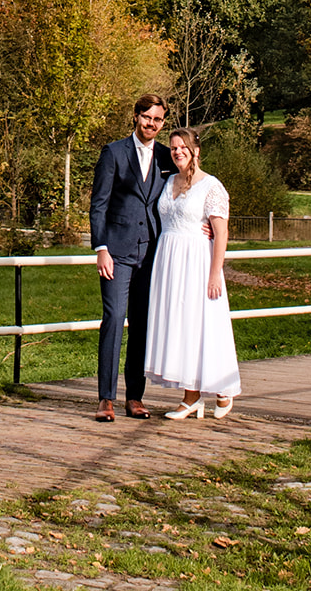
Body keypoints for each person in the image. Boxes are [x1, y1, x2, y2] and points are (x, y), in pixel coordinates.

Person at [143, 125, 241, 419]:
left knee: (202, 324)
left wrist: (215, 273)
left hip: (197, 261)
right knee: (180, 325)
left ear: (196, 151)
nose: (177, 152)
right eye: (173, 148)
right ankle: (191, 396)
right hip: (169, 261)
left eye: (183, 147)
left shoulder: (211, 186)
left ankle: (222, 388)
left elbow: (221, 233)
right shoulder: (167, 181)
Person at [89, 93, 174, 422]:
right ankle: (105, 399)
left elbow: (185, 191)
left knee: (142, 325)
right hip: (117, 252)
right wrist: (101, 249)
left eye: (158, 120)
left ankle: (134, 397)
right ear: (136, 116)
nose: (152, 124)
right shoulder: (114, 152)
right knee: (113, 320)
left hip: (152, 252)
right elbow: (99, 205)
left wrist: (205, 225)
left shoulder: (167, 156)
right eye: (147, 117)